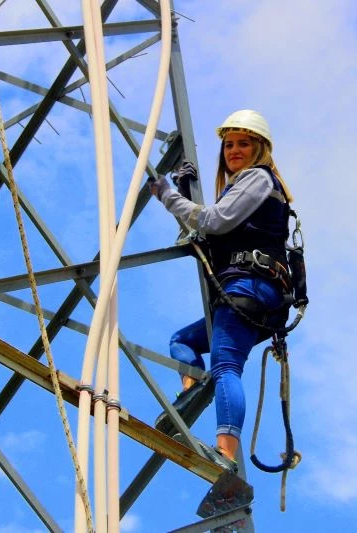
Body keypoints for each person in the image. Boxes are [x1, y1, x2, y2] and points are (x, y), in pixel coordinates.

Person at [149, 109, 295, 465]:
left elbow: (213, 221)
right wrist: (186, 191)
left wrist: (168, 195)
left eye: (243, 143)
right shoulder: (240, 187)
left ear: (260, 148)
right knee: (182, 341)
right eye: (229, 145)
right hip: (249, 292)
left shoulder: (258, 178)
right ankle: (192, 392)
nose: (233, 151)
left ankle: (226, 452)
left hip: (252, 287)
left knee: (226, 364)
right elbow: (205, 235)